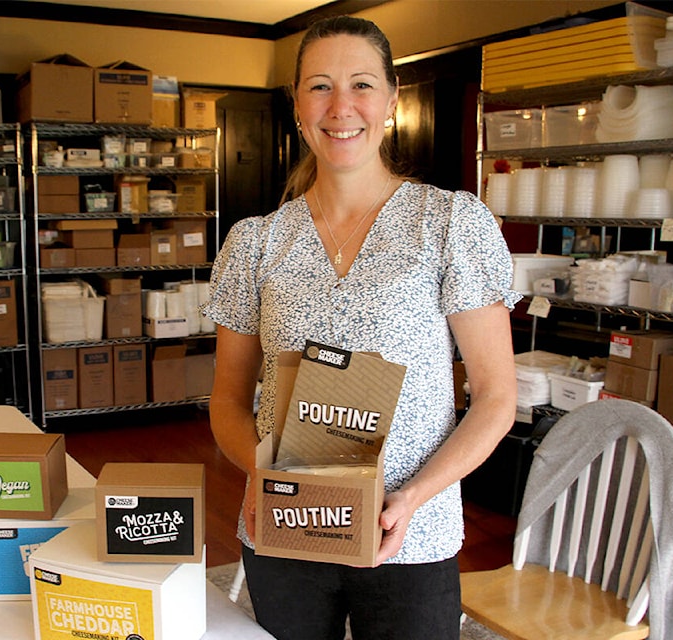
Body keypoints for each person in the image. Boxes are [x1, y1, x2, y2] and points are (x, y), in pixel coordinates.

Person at [201, 15, 521, 640]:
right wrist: (265, 475)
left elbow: (496, 399)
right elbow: (227, 401)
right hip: (286, 528)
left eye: (362, 85)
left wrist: (413, 496)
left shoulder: (451, 224)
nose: (341, 107)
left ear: (392, 100)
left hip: (410, 533)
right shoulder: (256, 241)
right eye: (319, 86)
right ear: (296, 103)